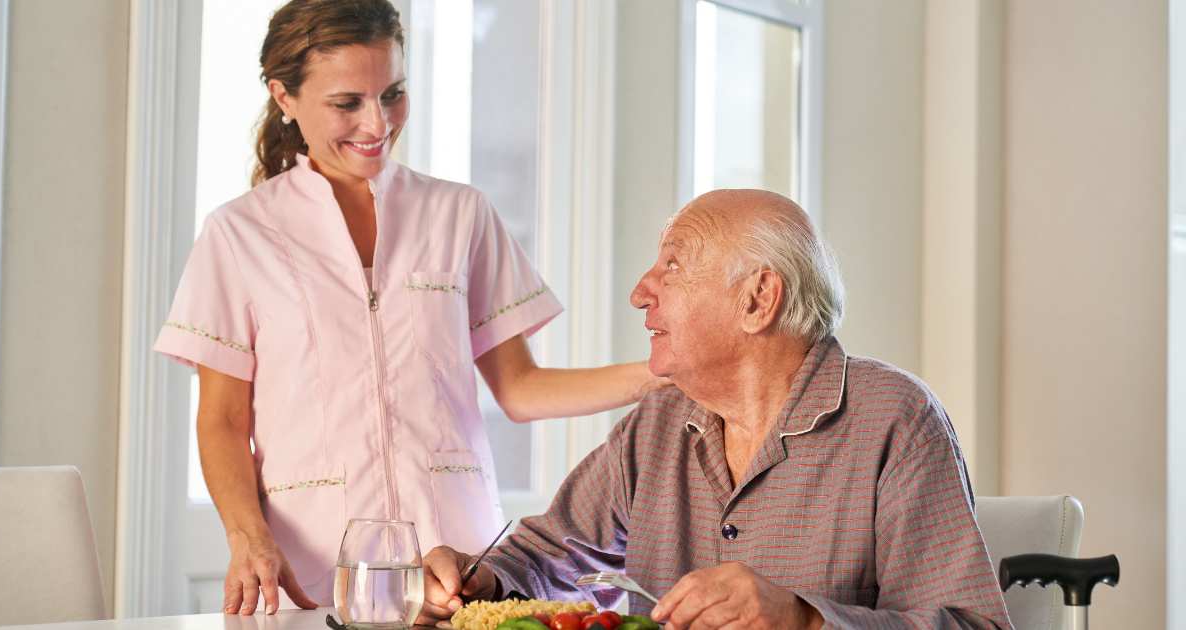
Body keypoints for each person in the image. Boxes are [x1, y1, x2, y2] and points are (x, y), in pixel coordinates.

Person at [153, 0, 664, 616]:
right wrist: (248, 535)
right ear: (284, 97)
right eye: (347, 103)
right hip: (314, 569)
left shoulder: (459, 215)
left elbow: (521, 389)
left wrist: (662, 375)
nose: (377, 123)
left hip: (460, 563)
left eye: (392, 94)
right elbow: (222, 423)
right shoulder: (239, 235)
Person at [420, 190, 1013, 629]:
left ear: (758, 299)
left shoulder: (894, 418)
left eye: (672, 266)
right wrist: (477, 579)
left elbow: (975, 625)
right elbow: (549, 556)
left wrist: (805, 621)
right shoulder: (658, 424)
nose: (640, 291)